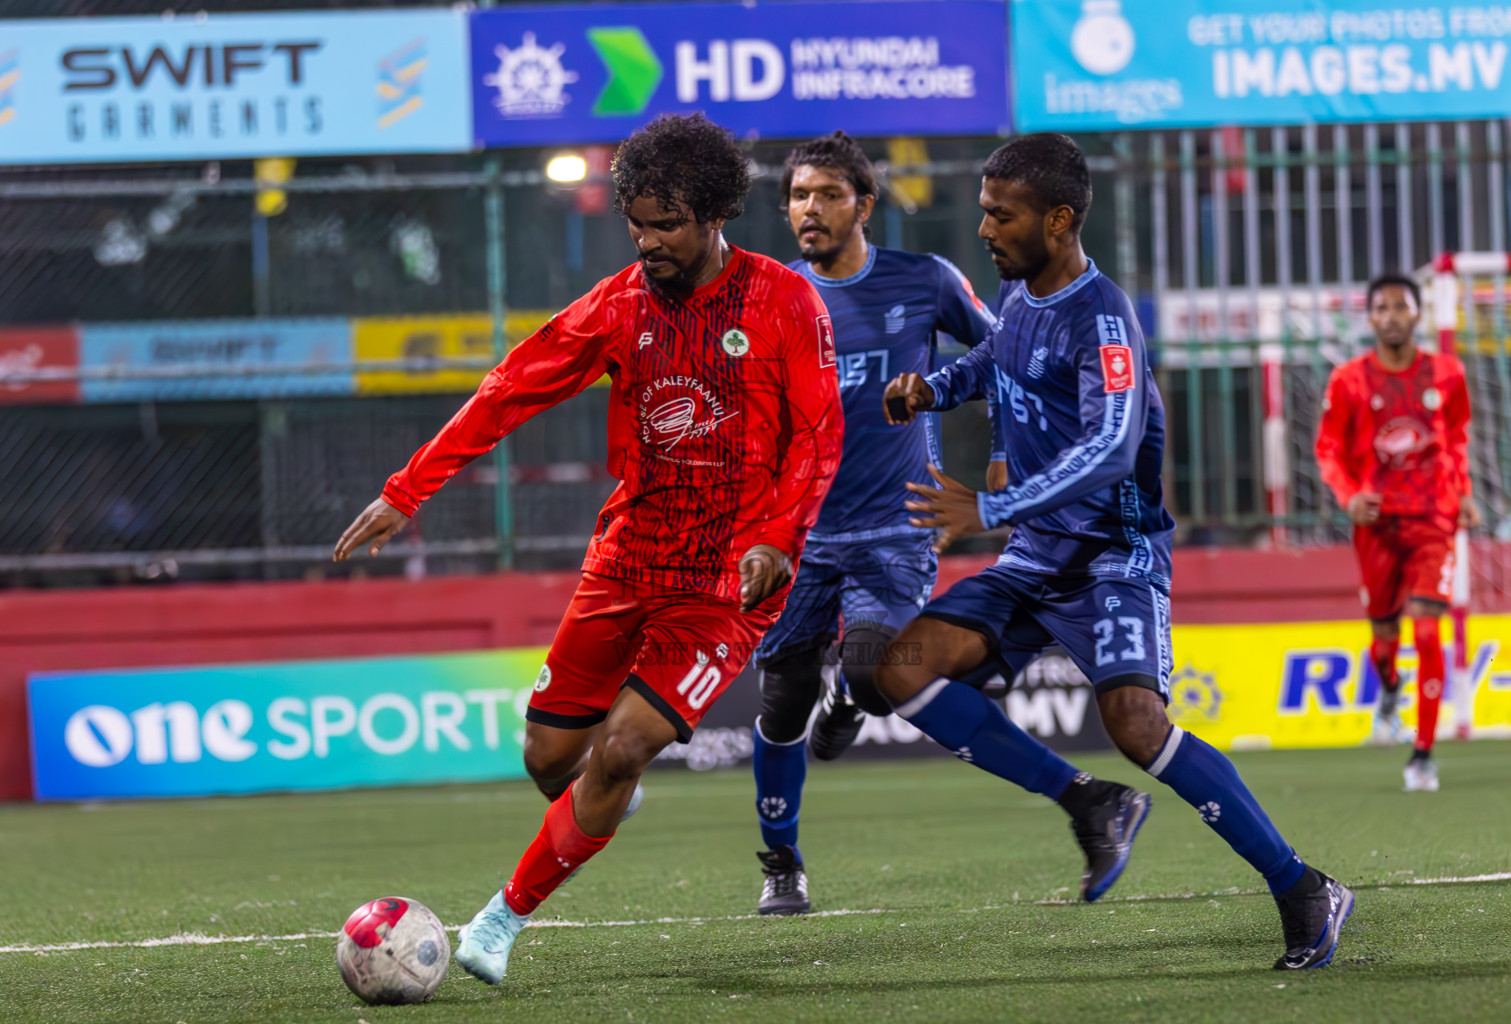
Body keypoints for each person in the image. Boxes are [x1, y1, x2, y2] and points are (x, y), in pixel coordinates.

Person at [332, 113, 843, 985]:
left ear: (716, 213)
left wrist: (776, 538)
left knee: (622, 746)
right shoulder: (618, 306)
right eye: (635, 222)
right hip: (627, 561)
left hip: (727, 582)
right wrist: (406, 488)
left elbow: (818, 438)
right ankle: (603, 798)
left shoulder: (784, 301)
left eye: (666, 224)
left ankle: (498, 922)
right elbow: (508, 392)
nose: (647, 240)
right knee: (548, 759)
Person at [876, 133, 1354, 970]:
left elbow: (1108, 445)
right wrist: (935, 386)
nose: (984, 229)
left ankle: (1301, 887)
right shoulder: (1022, 292)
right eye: (984, 210)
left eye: (1001, 214)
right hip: (1037, 556)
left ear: (1059, 220)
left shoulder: (1104, 320)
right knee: (900, 666)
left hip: (1111, 555)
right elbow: (999, 360)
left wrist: (989, 505)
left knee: (1136, 724)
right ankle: (1089, 802)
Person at [751, 131, 1008, 915]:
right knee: (782, 699)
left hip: (896, 529)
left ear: (864, 205)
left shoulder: (923, 280)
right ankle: (782, 861)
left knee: (871, 670)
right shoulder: (773, 299)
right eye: (798, 195)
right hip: (800, 538)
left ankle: (852, 701)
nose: (809, 209)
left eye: (827, 194)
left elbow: (1006, 353)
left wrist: (1001, 453)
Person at [1315, 274, 1477, 791]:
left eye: (1400, 306)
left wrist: (1465, 491)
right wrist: (1348, 497)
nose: (1391, 315)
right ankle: (1389, 686)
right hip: (1377, 524)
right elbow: (1328, 450)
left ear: (1417, 313)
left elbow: (1456, 441)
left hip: (1434, 517)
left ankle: (1423, 754)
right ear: (1370, 317)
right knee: (1385, 638)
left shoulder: (1448, 374)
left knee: (1428, 629)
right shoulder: (1348, 380)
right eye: (1381, 307)